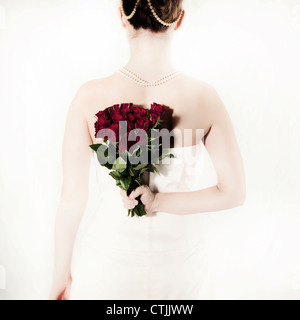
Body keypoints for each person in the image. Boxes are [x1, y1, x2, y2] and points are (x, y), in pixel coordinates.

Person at [49, 0, 246, 300]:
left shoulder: (89, 96)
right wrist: (158, 202)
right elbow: (233, 192)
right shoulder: (204, 98)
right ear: (179, 19)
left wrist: (60, 276)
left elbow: (71, 199)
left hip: (107, 268)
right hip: (182, 270)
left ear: (122, 18)